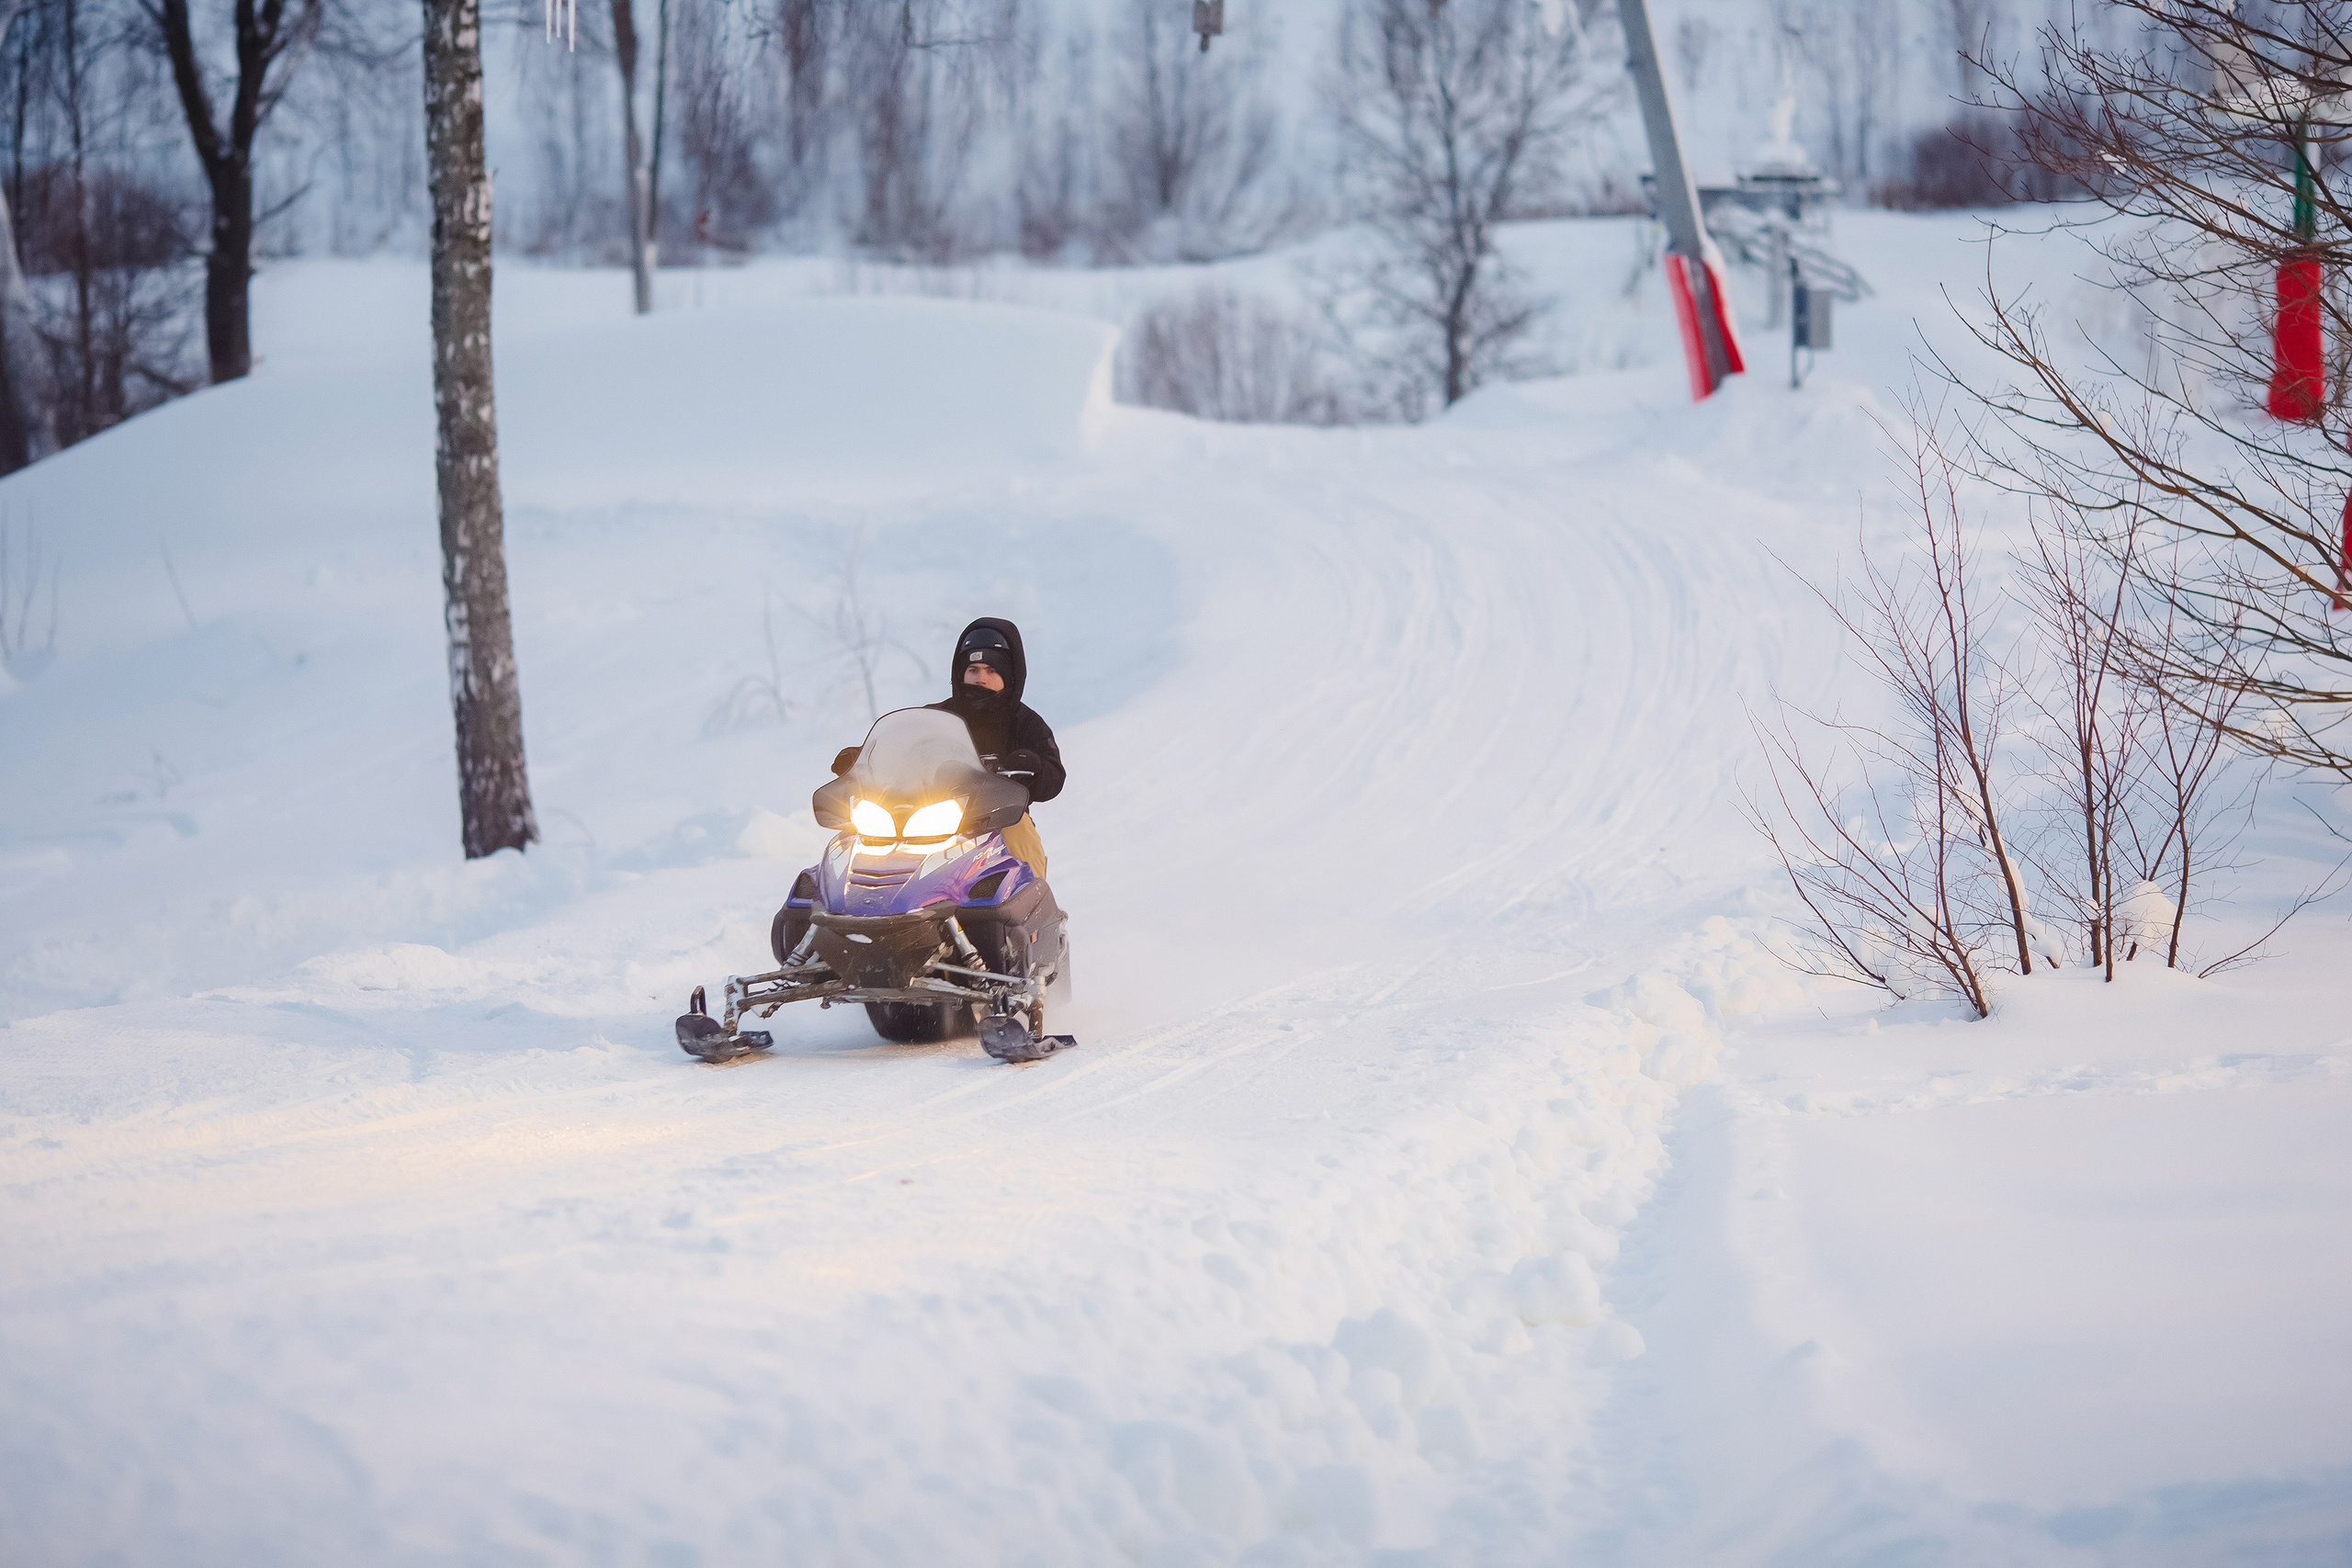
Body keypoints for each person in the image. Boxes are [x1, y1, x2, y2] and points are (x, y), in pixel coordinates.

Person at [830, 616, 1063, 875]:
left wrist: (1034, 766)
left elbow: (1054, 778)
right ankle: (843, 894)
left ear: (1009, 676)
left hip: (997, 818)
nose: (980, 678)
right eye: (973, 670)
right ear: (961, 673)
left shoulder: (1026, 722)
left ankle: (1030, 894)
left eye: (991, 670)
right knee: (858, 831)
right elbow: (898, 749)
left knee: (1018, 829)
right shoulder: (933, 718)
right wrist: (862, 760)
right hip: (926, 816)